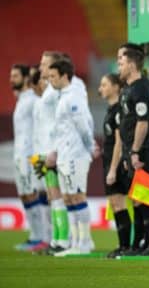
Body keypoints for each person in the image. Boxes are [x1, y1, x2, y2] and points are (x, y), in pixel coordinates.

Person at [35, 51, 87, 254]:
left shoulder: (71, 88)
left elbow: (71, 121)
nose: (41, 68)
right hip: (49, 149)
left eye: (44, 64)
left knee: (65, 195)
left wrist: (56, 149)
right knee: (55, 196)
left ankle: (68, 240)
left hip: (61, 150)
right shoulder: (50, 89)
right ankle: (59, 239)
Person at [46, 60, 95, 256]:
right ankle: (76, 242)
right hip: (65, 155)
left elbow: (84, 125)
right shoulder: (62, 98)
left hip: (76, 155)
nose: (50, 80)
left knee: (77, 196)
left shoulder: (73, 98)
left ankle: (84, 242)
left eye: (53, 77)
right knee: (67, 198)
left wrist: (90, 146)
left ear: (64, 76)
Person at [117, 44, 149, 255]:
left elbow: (142, 123)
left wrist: (134, 151)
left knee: (144, 197)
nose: (119, 66)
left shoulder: (141, 87)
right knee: (136, 198)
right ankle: (138, 244)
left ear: (132, 65)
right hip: (130, 151)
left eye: (121, 62)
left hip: (141, 151)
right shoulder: (127, 88)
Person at [11, 64, 48, 252]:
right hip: (19, 155)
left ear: (26, 78)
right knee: (25, 195)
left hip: (30, 156)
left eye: (15, 75)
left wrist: (35, 155)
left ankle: (42, 236)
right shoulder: (22, 100)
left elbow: (39, 128)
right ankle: (35, 235)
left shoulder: (33, 100)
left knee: (35, 193)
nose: (12, 79)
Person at [98, 73, 132, 258]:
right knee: (115, 203)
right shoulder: (111, 110)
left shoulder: (119, 110)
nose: (100, 88)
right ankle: (123, 245)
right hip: (109, 161)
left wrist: (113, 169)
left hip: (116, 164)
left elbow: (120, 141)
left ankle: (126, 246)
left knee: (119, 203)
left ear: (115, 87)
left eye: (104, 85)